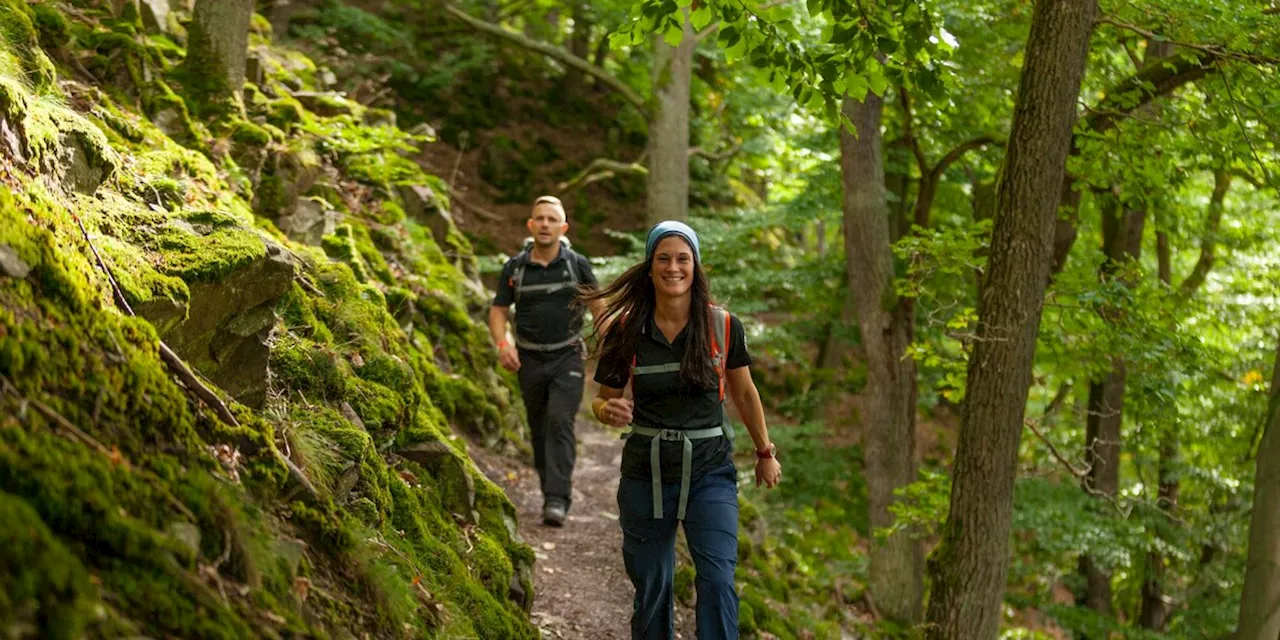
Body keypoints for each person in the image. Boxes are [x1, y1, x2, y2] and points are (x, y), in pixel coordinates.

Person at [584, 220, 781, 640]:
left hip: (709, 473)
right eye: (663, 259)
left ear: (695, 266)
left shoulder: (723, 326)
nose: (673, 268)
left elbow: (745, 394)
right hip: (646, 472)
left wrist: (765, 453)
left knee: (717, 577)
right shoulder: (627, 330)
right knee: (653, 584)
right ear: (650, 267)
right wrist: (606, 411)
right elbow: (602, 399)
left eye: (682, 259)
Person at [489, 195, 601, 526]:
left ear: (563, 227)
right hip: (528, 360)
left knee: (559, 420)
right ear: (530, 225)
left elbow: (599, 307)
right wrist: (502, 344)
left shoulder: (576, 265)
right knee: (538, 427)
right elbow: (498, 311)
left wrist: (613, 345)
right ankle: (548, 490)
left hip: (567, 355)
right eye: (540, 218)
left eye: (552, 219)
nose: (545, 224)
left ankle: (557, 498)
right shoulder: (515, 268)